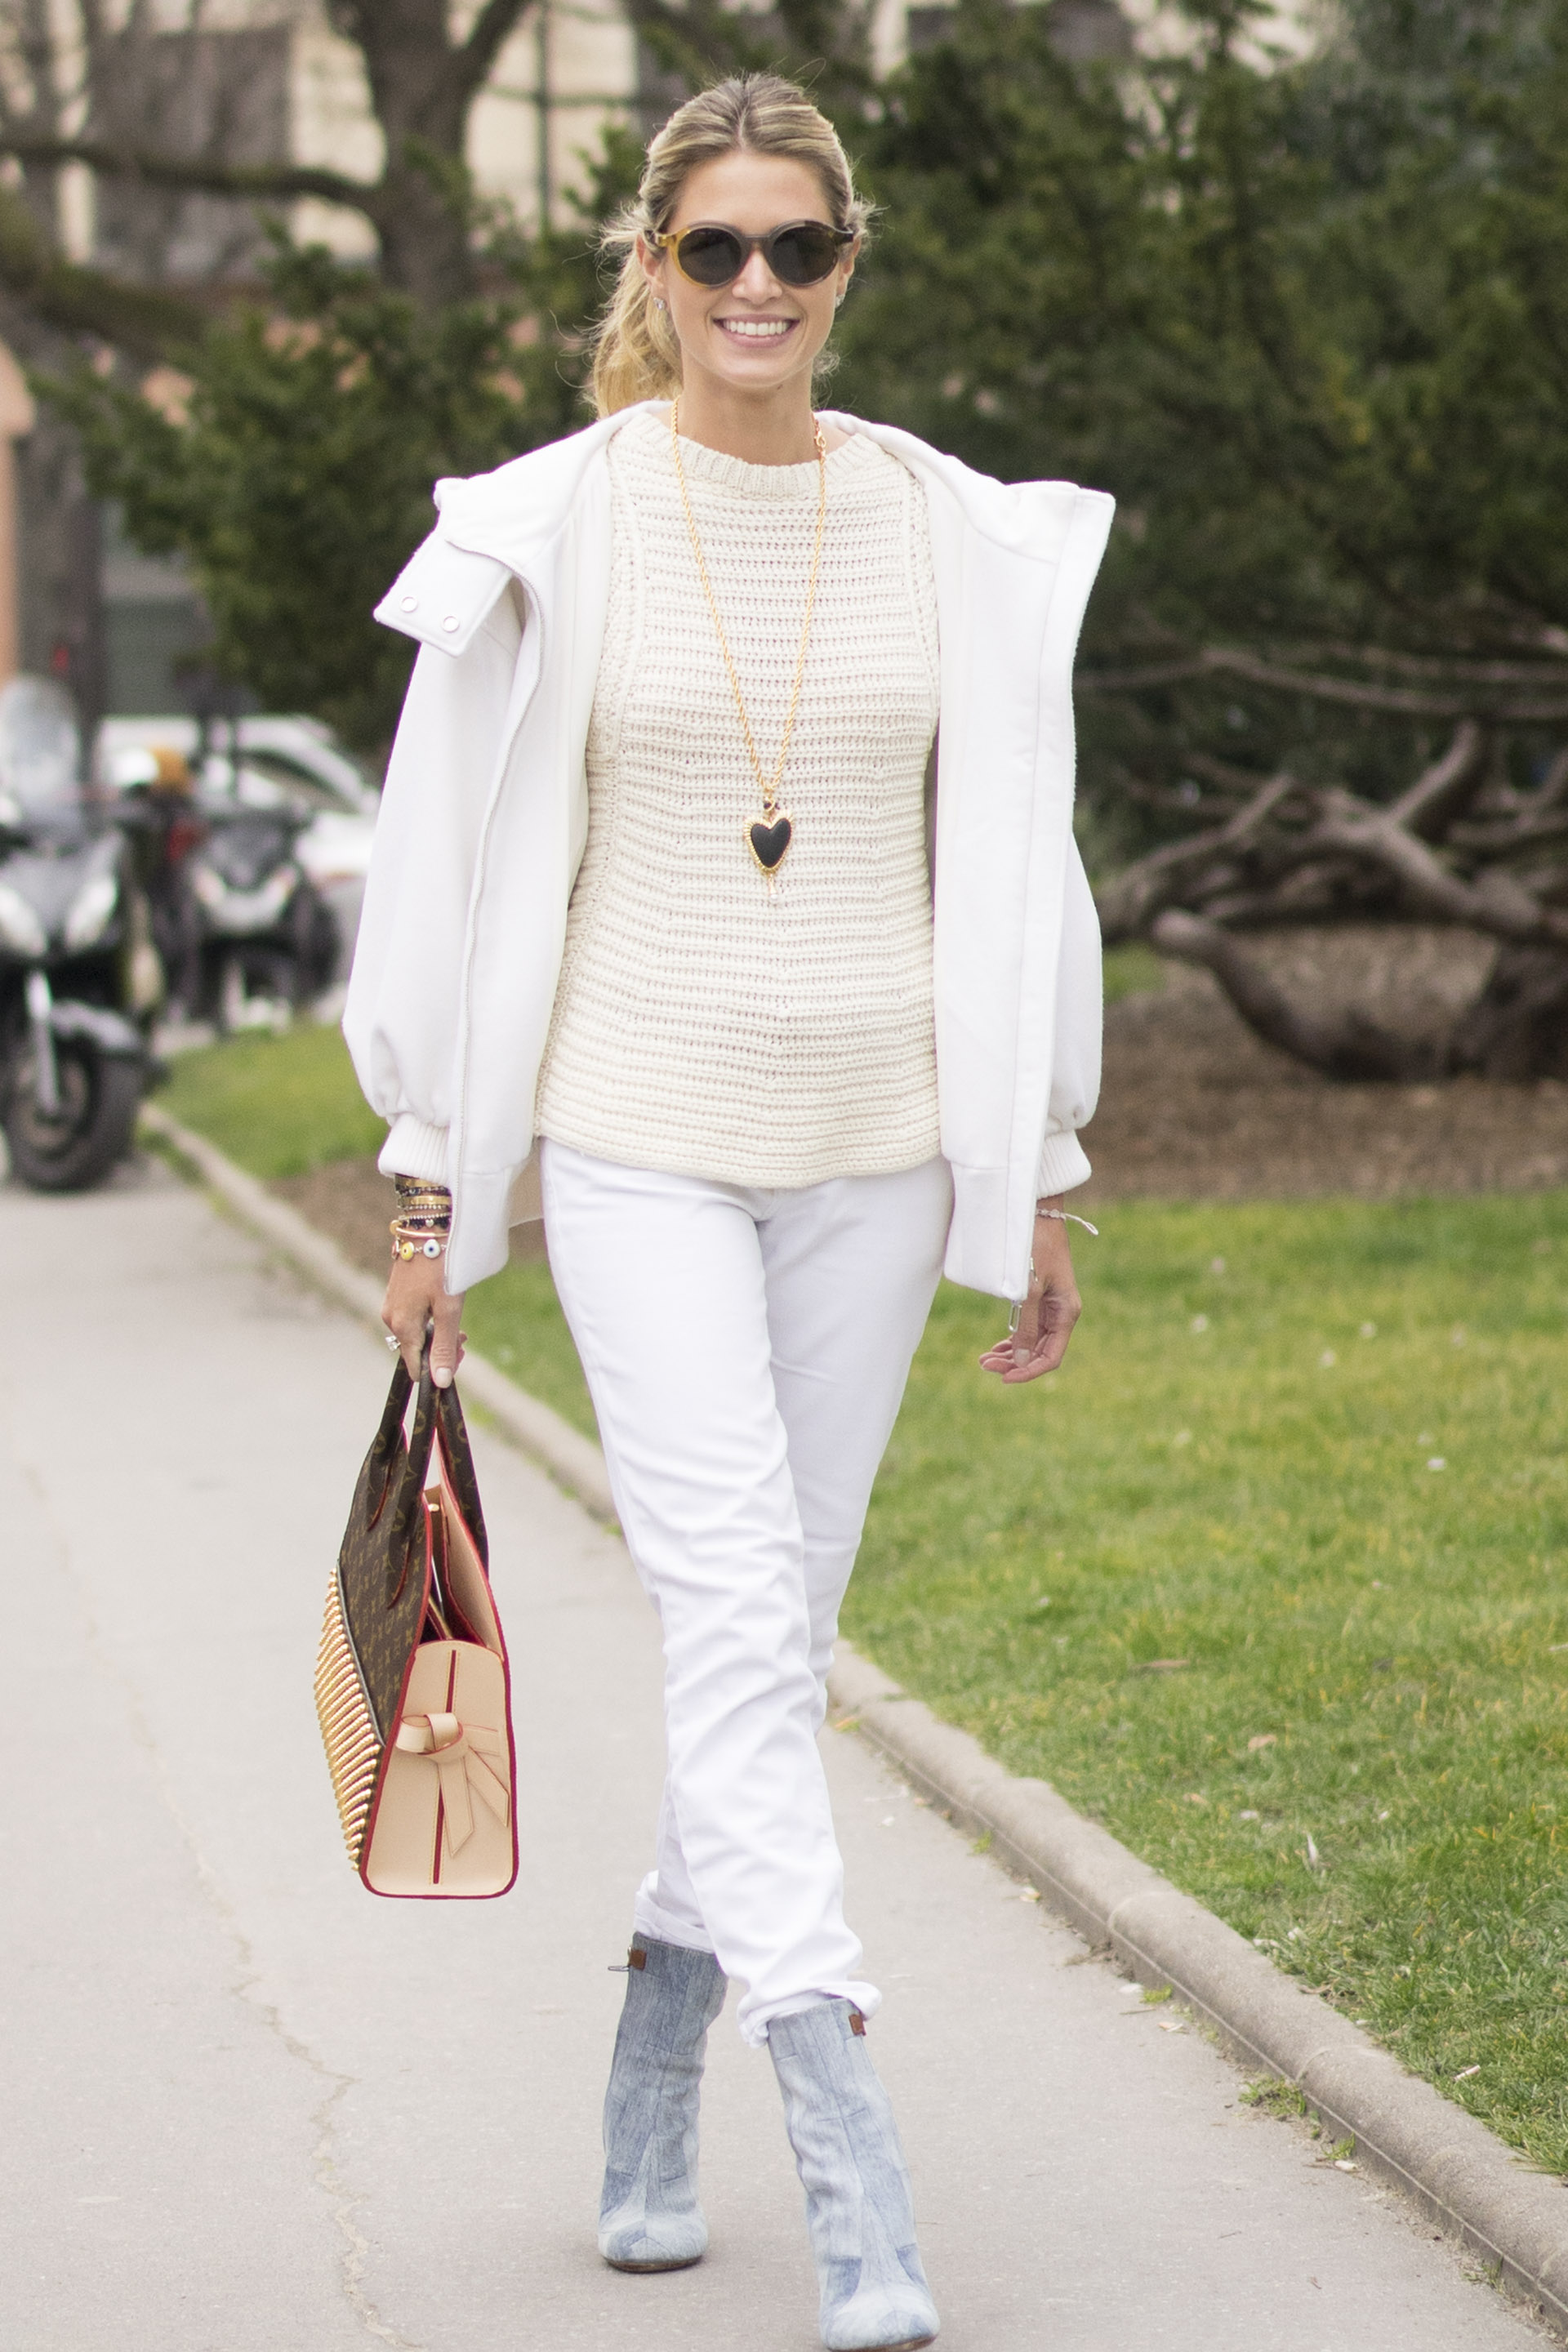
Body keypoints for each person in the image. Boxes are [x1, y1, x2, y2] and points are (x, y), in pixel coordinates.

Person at [345, 70, 1111, 2352]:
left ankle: (649, 2077)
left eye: (797, 247)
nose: (756, 285)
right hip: (639, 1141)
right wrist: (427, 1191)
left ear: (847, 264)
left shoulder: (943, 524)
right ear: (654, 267)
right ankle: (848, 2138)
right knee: (732, 1607)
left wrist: (1039, 1160)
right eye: (715, 249)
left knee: (780, 1620)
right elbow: (437, 867)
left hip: (877, 1148)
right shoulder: (555, 522)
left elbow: (1023, 857)